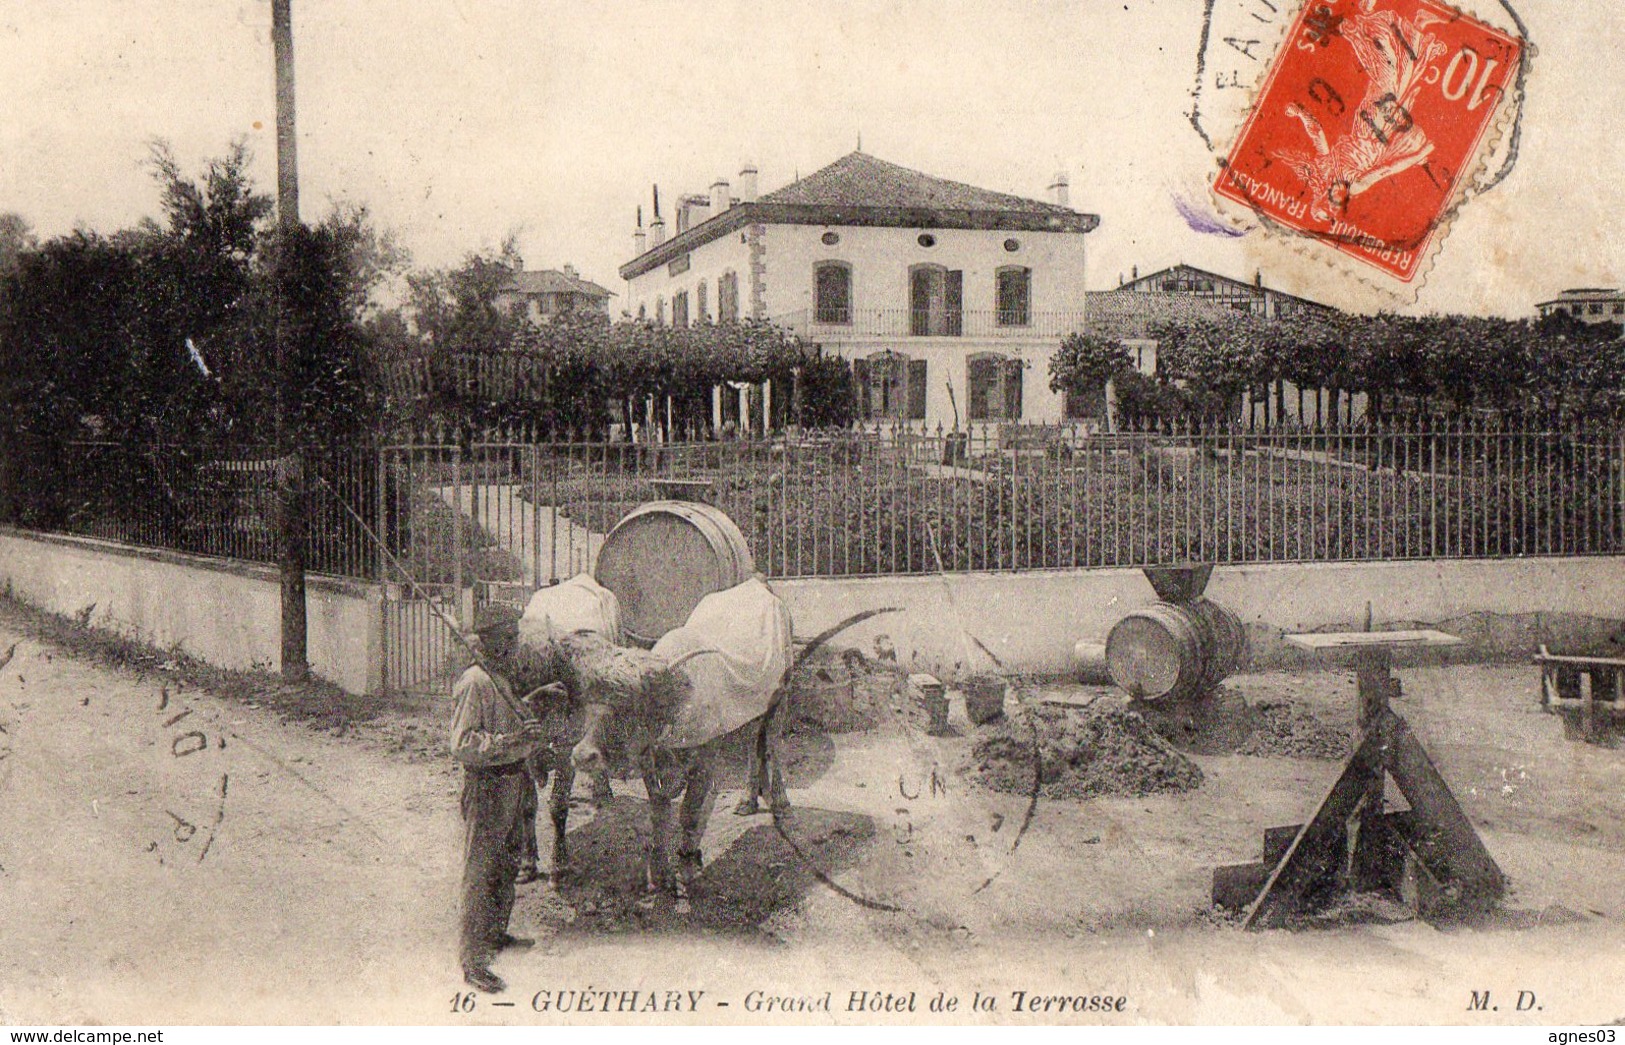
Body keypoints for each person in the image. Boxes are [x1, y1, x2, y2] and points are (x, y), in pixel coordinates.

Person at [449, 621, 545, 994]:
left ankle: (494, 934)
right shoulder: (475, 682)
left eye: (515, 637)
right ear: (491, 643)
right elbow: (462, 743)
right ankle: (473, 961)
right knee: (480, 871)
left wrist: (531, 740)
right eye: (508, 639)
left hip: (515, 779)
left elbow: (516, 728)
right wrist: (513, 740)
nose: (515, 644)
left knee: (506, 864)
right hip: (487, 785)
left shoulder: (502, 680)